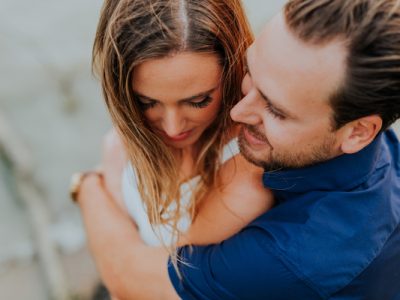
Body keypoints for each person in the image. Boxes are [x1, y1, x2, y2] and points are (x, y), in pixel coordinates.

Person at [77, 0, 400, 299]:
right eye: (251, 73)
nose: (237, 112)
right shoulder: (340, 116)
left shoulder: (296, 255)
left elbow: (131, 279)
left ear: (358, 132)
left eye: (276, 109)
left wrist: (87, 185)